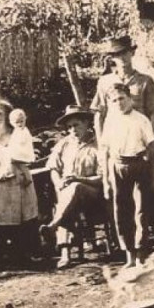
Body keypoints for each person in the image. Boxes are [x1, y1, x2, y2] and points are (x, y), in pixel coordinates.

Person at [0, 98, 40, 266]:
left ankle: (25, 253)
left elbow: (29, 154)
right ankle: (4, 255)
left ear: (7, 115)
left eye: (0, 114)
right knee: (0, 217)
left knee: (24, 216)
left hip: (20, 179)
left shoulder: (17, 132)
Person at [39, 107, 104, 269]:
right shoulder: (64, 144)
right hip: (67, 194)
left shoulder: (98, 144)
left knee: (75, 187)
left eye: (76, 125)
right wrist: (58, 183)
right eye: (69, 127)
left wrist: (78, 179)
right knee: (67, 199)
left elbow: (102, 177)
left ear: (86, 123)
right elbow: (53, 168)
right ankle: (65, 255)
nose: (72, 130)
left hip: (93, 193)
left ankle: (54, 226)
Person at [101, 83, 154, 267]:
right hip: (118, 166)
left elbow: (152, 148)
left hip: (138, 164)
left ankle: (141, 253)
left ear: (130, 99)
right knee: (121, 211)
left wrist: (153, 176)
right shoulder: (110, 121)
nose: (119, 103)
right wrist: (106, 180)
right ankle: (129, 255)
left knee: (140, 211)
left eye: (122, 98)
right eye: (114, 100)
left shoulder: (141, 120)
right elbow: (105, 151)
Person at [91, 35, 154, 139]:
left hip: (138, 136)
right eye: (117, 55)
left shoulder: (145, 81)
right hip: (114, 137)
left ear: (132, 53)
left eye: (125, 53)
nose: (122, 58)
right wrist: (102, 144)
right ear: (112, 58)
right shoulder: (105, 81)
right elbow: (99, 114)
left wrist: (149, 140)